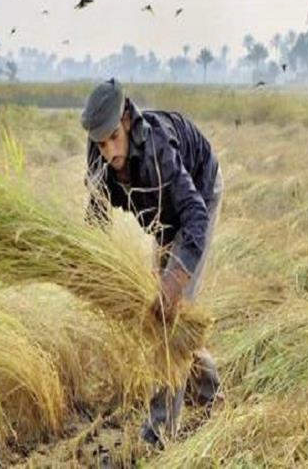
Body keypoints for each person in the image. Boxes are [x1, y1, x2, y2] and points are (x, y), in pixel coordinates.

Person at [81, 78, 223, 447]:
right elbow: (96, 216)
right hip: (163, 217)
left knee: (166, 322)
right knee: (163, 315)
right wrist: (90, 267)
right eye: (100, 142)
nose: (110, 151)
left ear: (126, 120)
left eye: (114, 137)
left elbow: (194, 215)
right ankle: (210, 392)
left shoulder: (159, 149)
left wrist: (175, 277)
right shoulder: (98, 155)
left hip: (198, 198)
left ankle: (159, 435)